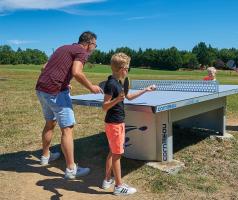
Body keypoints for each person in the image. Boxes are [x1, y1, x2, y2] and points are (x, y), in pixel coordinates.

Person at [36, 31, 102, 179]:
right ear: (88, 44)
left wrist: (64, 82)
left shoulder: (63, 48)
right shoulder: (81, 52)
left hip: (41, 89)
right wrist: (91, 87)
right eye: (95, 45)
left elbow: (44, 67)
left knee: (49, 123)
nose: (95, 48)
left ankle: (45, 156)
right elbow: (77, 72)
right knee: (67, 129)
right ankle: (71, 169)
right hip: (56, 92)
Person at [101, 52, 155, 195]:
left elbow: (129, 97)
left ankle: (107, 179)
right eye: (127, 68)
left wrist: (145, 90)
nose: (128, 71)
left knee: (113, 152)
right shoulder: (111, 84)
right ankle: (119, 186)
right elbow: (105, 106)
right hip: (115, 123)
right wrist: (117, 100)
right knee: (117, 154)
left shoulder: (119, 83)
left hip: (116, 123)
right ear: (121, 69)